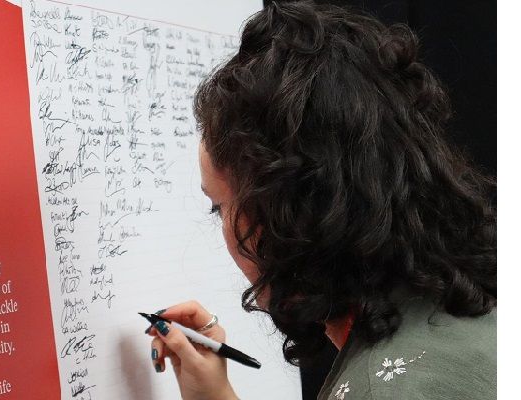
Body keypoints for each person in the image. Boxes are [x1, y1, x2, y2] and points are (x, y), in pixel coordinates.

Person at [145, 1, 496, 399]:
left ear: (288, 213)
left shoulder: (385, 388)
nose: (222, 227)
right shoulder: (467, 307)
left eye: (219, 206)